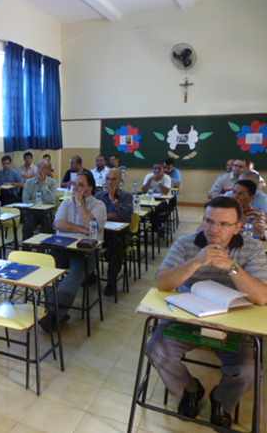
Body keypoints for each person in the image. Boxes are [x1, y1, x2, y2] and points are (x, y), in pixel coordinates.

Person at [146, 197, 267, 429]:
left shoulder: (252, 248)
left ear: (238, 227)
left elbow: (262, 297)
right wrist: (196, 262)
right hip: (190, 319)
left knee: (248, 370)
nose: (214, 230)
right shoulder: (185, 243)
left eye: (224, 224)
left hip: (234, 325)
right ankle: (190, 389)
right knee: (156, 349)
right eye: (209, 221)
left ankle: (221, 399)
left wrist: (232, 267)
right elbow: (162, 282)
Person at [42, 172, 107, 331]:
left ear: (90, 188)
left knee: (74, 273)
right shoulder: (66, 202)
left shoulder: (99, 205)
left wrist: (80, 204)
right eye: (75, 184)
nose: (76, 188)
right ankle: (56, 311)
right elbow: (58, 224)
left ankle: (54, 314)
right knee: (46, 270)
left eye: (81, 185)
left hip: (85, 252)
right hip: (63, 248)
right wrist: (80, 229)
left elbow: (91, 225)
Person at [96, 169, 133, 296]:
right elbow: (94, 214)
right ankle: (89, 275)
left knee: (116, 246)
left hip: (120, 234)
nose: (110, 182)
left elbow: (125, 217)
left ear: (120, 181)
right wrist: (112, 214)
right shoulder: (99, 196)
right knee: (86, 241)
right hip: (102, 233)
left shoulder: (126, 196)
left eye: (113, 179)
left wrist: (113, 202)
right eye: (108, 179)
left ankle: (111, 282)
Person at [22, 160, 57, 239]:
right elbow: (25, 200)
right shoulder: (29, 182)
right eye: (39, 167)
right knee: (27, 225)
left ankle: (46, 244)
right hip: (32, 211)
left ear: (48, 170)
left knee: (48, 223)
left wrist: (44, 184)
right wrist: (39, 203)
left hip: (46, 212)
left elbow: (51, 200)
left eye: (44, 168)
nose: (40, 170)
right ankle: (26, 245)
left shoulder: (52, 182)